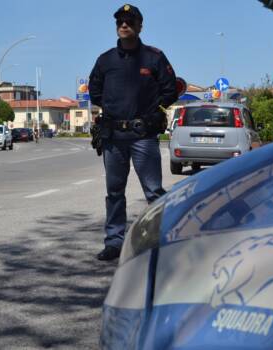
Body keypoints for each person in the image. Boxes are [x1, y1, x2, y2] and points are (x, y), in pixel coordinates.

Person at [89, 3, 178, 261]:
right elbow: (95, 91)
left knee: (153, 191)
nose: (124, 25)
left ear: (140, 26)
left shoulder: (154, 57)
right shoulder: (105, 60)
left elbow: (170, 88)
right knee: (114, 192)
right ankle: (114, 242)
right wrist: (111, 109)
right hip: (114, 138)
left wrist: (155, 112)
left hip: (143, 136)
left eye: (129, 21)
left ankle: (163, 240)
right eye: (120, 21)